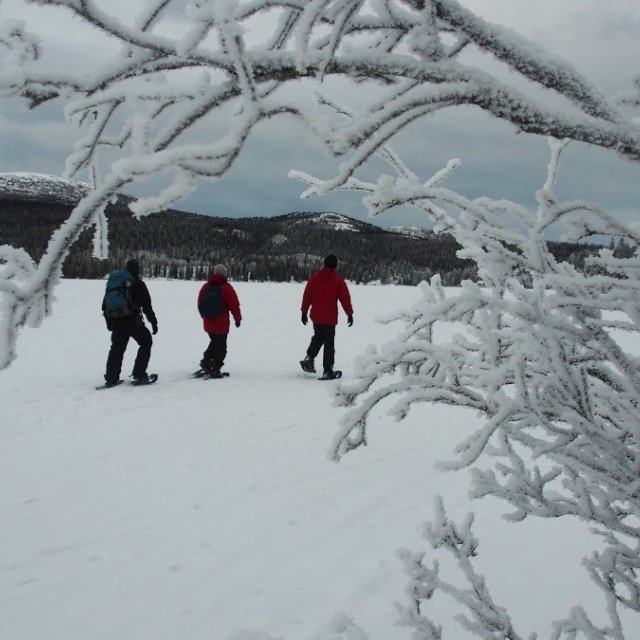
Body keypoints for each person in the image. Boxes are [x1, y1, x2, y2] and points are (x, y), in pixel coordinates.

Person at [103, 258, 158, 387]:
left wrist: (109, 322)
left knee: (116, 348)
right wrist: (153, 322)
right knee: (146, 342)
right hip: (133, 320)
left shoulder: (116, 284)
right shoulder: (139, 284)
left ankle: (111, 378)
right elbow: (147, 306)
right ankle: (139, 374)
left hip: (117, 321)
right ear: (137, 270)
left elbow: (105, 304)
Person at [300, 254, 353, 379]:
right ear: (335, 266)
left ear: (324, 264)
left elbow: (307, 296)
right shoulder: (338, 280)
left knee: (318, 337)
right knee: (329, 343)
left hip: (316, 316)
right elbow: (345, 299)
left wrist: (304, 312)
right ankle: (327, 370)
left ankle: (309, 358)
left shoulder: (315, 278)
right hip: (329, 318)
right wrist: (349, 314)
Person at [197, 264, 242, 377]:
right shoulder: (226, 287)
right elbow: (234, 305)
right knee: (221, 348)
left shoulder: (206, 286)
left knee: (214, 343)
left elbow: (200, 303)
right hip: (221, 323)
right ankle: (215, 368)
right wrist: (238, 319)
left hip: (208, 322)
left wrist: (204, 316)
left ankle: (206, 362)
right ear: (224, 274)